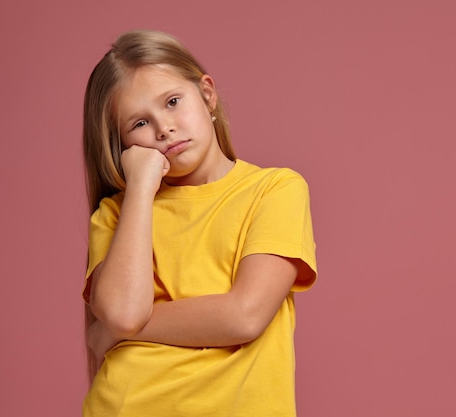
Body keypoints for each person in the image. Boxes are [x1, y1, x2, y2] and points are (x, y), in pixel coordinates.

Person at [81, 29, 317, 417]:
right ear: (121, 145)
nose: (163, 128)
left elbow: (244, 316)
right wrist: (140, 187)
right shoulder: (117, 215)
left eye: (173, 102)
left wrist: (114, 331)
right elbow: (123, 311)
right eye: (139, 124)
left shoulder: (274, 190)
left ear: (207, 94)